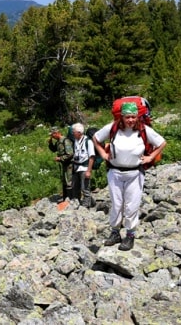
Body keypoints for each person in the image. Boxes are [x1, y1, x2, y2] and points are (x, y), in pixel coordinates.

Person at [92, 102, 166, 251]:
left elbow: (162, 143)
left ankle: (130, 235)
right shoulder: (113, 128)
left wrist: (151, 157)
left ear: (137, 116)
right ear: (122, 117)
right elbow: (95, 138)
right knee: (116, 203)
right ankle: (115, 232)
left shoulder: (144, 130)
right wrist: (103, 154)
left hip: (135, 172)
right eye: (127, 117)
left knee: (132, 205)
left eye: (133, 117)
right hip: (114, 172)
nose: (131, 120)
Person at [70, 123, 95, 207]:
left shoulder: (88, 142)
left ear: (79, 132)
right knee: (75, 186)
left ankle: (86, 205)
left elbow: (91, 157)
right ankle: (77, 202)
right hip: (76, 167)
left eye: (74, 132)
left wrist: (89, 170)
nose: (72, 133)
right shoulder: (76, 141)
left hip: (84, 167)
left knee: (85, 188)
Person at [47, 126, 75, 201]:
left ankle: (71, 199)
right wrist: (50, 143)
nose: (52, 137)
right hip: (64, 164)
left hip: (69, 164)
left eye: (52, 135)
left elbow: (70, 154)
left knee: (69, 181)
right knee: (65, 181)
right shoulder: (58, 141)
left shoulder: (65, 140)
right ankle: (65, 198)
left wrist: (60, 158)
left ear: (56, 133)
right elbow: (54, 149)